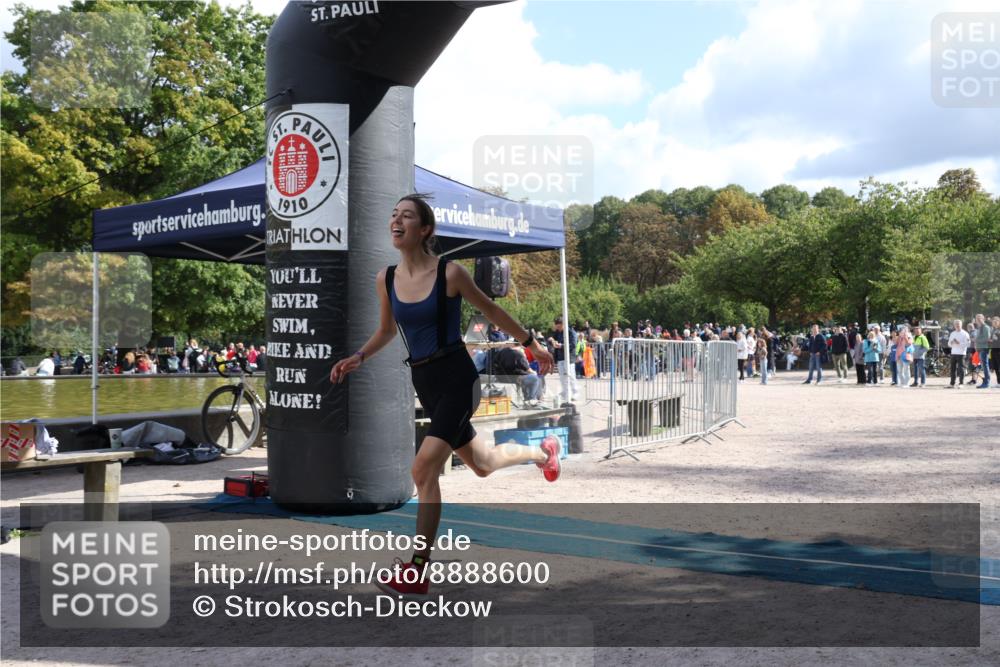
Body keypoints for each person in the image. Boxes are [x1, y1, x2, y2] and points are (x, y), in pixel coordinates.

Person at [329, 194, 557, 601]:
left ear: (425, 230)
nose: (396, 221)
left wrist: (531, 344)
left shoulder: (450, 274)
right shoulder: (385, 278)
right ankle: (543, 453)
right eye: (393, 214)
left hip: (457, 379)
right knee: (483, 465)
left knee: (422, 471)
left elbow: (491, 312)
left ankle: (417, 571)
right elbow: (386, 330)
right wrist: (359, 355)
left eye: (407, 216)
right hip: (425, 382)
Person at [547, 316, 579, 404]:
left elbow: (573, 345)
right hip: (560, 357)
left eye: (559, 326)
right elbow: (551, 338)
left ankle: (575, 392)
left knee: (571, 376)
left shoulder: (571, 332)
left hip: (569, 357)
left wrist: (561, 346)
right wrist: (552, 340)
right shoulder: (557, 332)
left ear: (563, 324)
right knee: (562, 377)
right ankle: (565, 392)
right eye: (556, 326)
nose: (557, 328)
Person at [947, 319, 970, 388]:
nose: (957, 325)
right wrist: (951, 343)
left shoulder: (965, 333)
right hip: (953, 353)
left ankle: (961, 383)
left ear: (961, 325)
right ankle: (952, 383)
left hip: (961, 353)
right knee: (952, 369)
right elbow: (948, 343)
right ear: (954, 325)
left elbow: (968, 344)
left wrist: (959, 343)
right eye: (956, 324)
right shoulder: (952, 333)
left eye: (958, 324)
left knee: (961, 369)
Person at [973, 313, 992, 388]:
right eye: (977, 318)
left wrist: (976, 340)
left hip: (984, 349)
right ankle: (985, 382)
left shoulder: (986, 327)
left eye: (979, 318)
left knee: (985, 366)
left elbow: (987, 339)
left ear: (983, 319)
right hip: (979, 349)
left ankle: (987, 382)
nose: (978, 320)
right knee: (983, 367)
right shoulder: (979, 328)